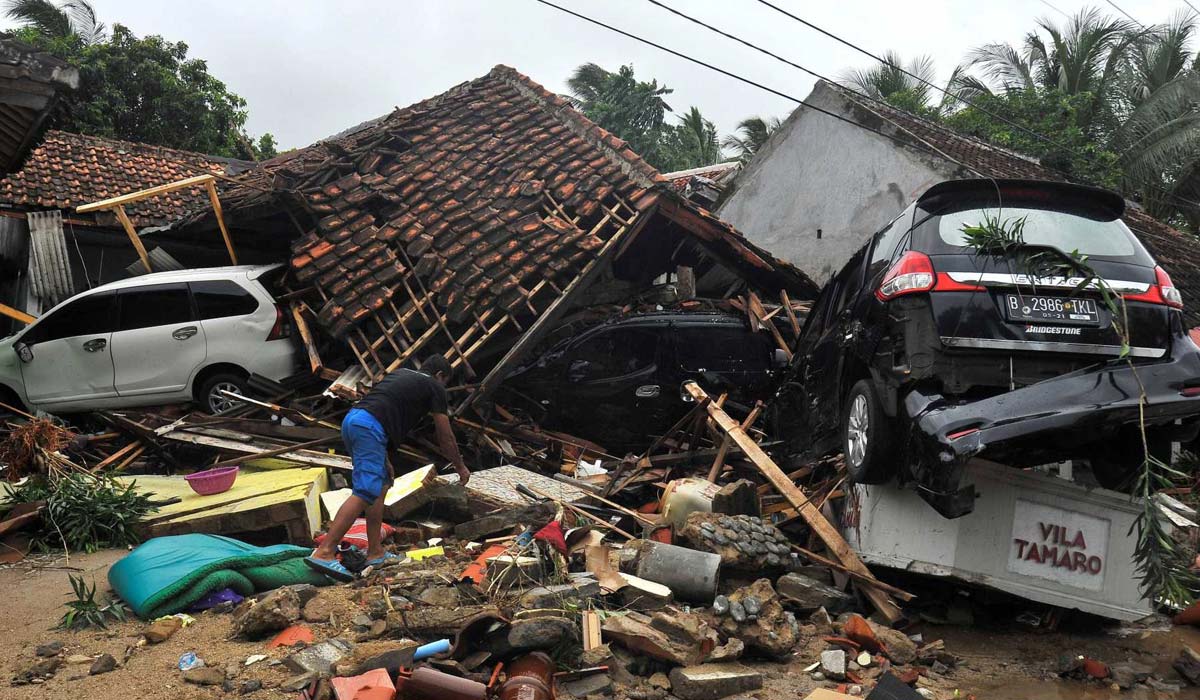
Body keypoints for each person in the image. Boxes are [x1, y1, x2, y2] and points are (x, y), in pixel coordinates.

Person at [306, 354, 470, 580]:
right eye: (445, 381)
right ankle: (324, 551)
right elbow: (445, 435)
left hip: (354, 420)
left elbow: (381, 408)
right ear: (440, 375)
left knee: (380, 485)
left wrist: (384, 459)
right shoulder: (434, 386)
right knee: (365, 491)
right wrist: (460, 466)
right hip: (369, 428)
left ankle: (375, 552)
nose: (444, 386)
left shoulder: (401, 374)